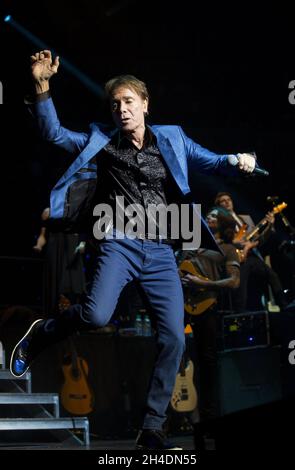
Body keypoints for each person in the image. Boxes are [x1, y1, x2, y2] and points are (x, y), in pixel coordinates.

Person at [10, 50, 256, 450]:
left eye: (128, 102)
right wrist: (42, 86)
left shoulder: (172, 137)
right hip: (120, 243)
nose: (121, 110)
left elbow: (209, 161)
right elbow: (54, 134)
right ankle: (42, 335)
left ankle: (153, 427)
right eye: (115, 104)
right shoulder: (101, 141)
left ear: (144, 104)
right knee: (95, 314)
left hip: (161, 251)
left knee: (175, 338)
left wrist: (236, 159)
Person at [180, 208, 240, 447]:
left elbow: (234, 281)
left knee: (208, 366)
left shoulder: (227, 248)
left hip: (207, 307)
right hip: (182, 305)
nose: (210, 217)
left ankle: (210, 421)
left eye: (215, 215)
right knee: (172, 357)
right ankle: (168, 422)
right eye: (209, 214)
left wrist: (203, 284)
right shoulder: (190, 241)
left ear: (224, 222)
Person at [214, 191, 286, 312]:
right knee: (240, 290)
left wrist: (269, 226)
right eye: (223, 201)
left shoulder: (245, 218)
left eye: (229, 199)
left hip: (252, 256)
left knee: (272, 275)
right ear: (219, 205)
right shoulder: (219, 222)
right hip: (236, 258)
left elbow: (260, 239)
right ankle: (239, 317)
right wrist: (234, 242)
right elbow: (217, 241)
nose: (227, 202)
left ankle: (284, 306)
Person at [33, 207, 86, 316]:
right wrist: (39, 245)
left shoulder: (77, 210)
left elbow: (83, 234)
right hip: (55, 250)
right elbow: (42, 235)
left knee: (72, 287)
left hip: (72, 250)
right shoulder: (48, 212)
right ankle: (54, 318)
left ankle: (71, 319)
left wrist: (82, 244)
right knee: (55, 286)